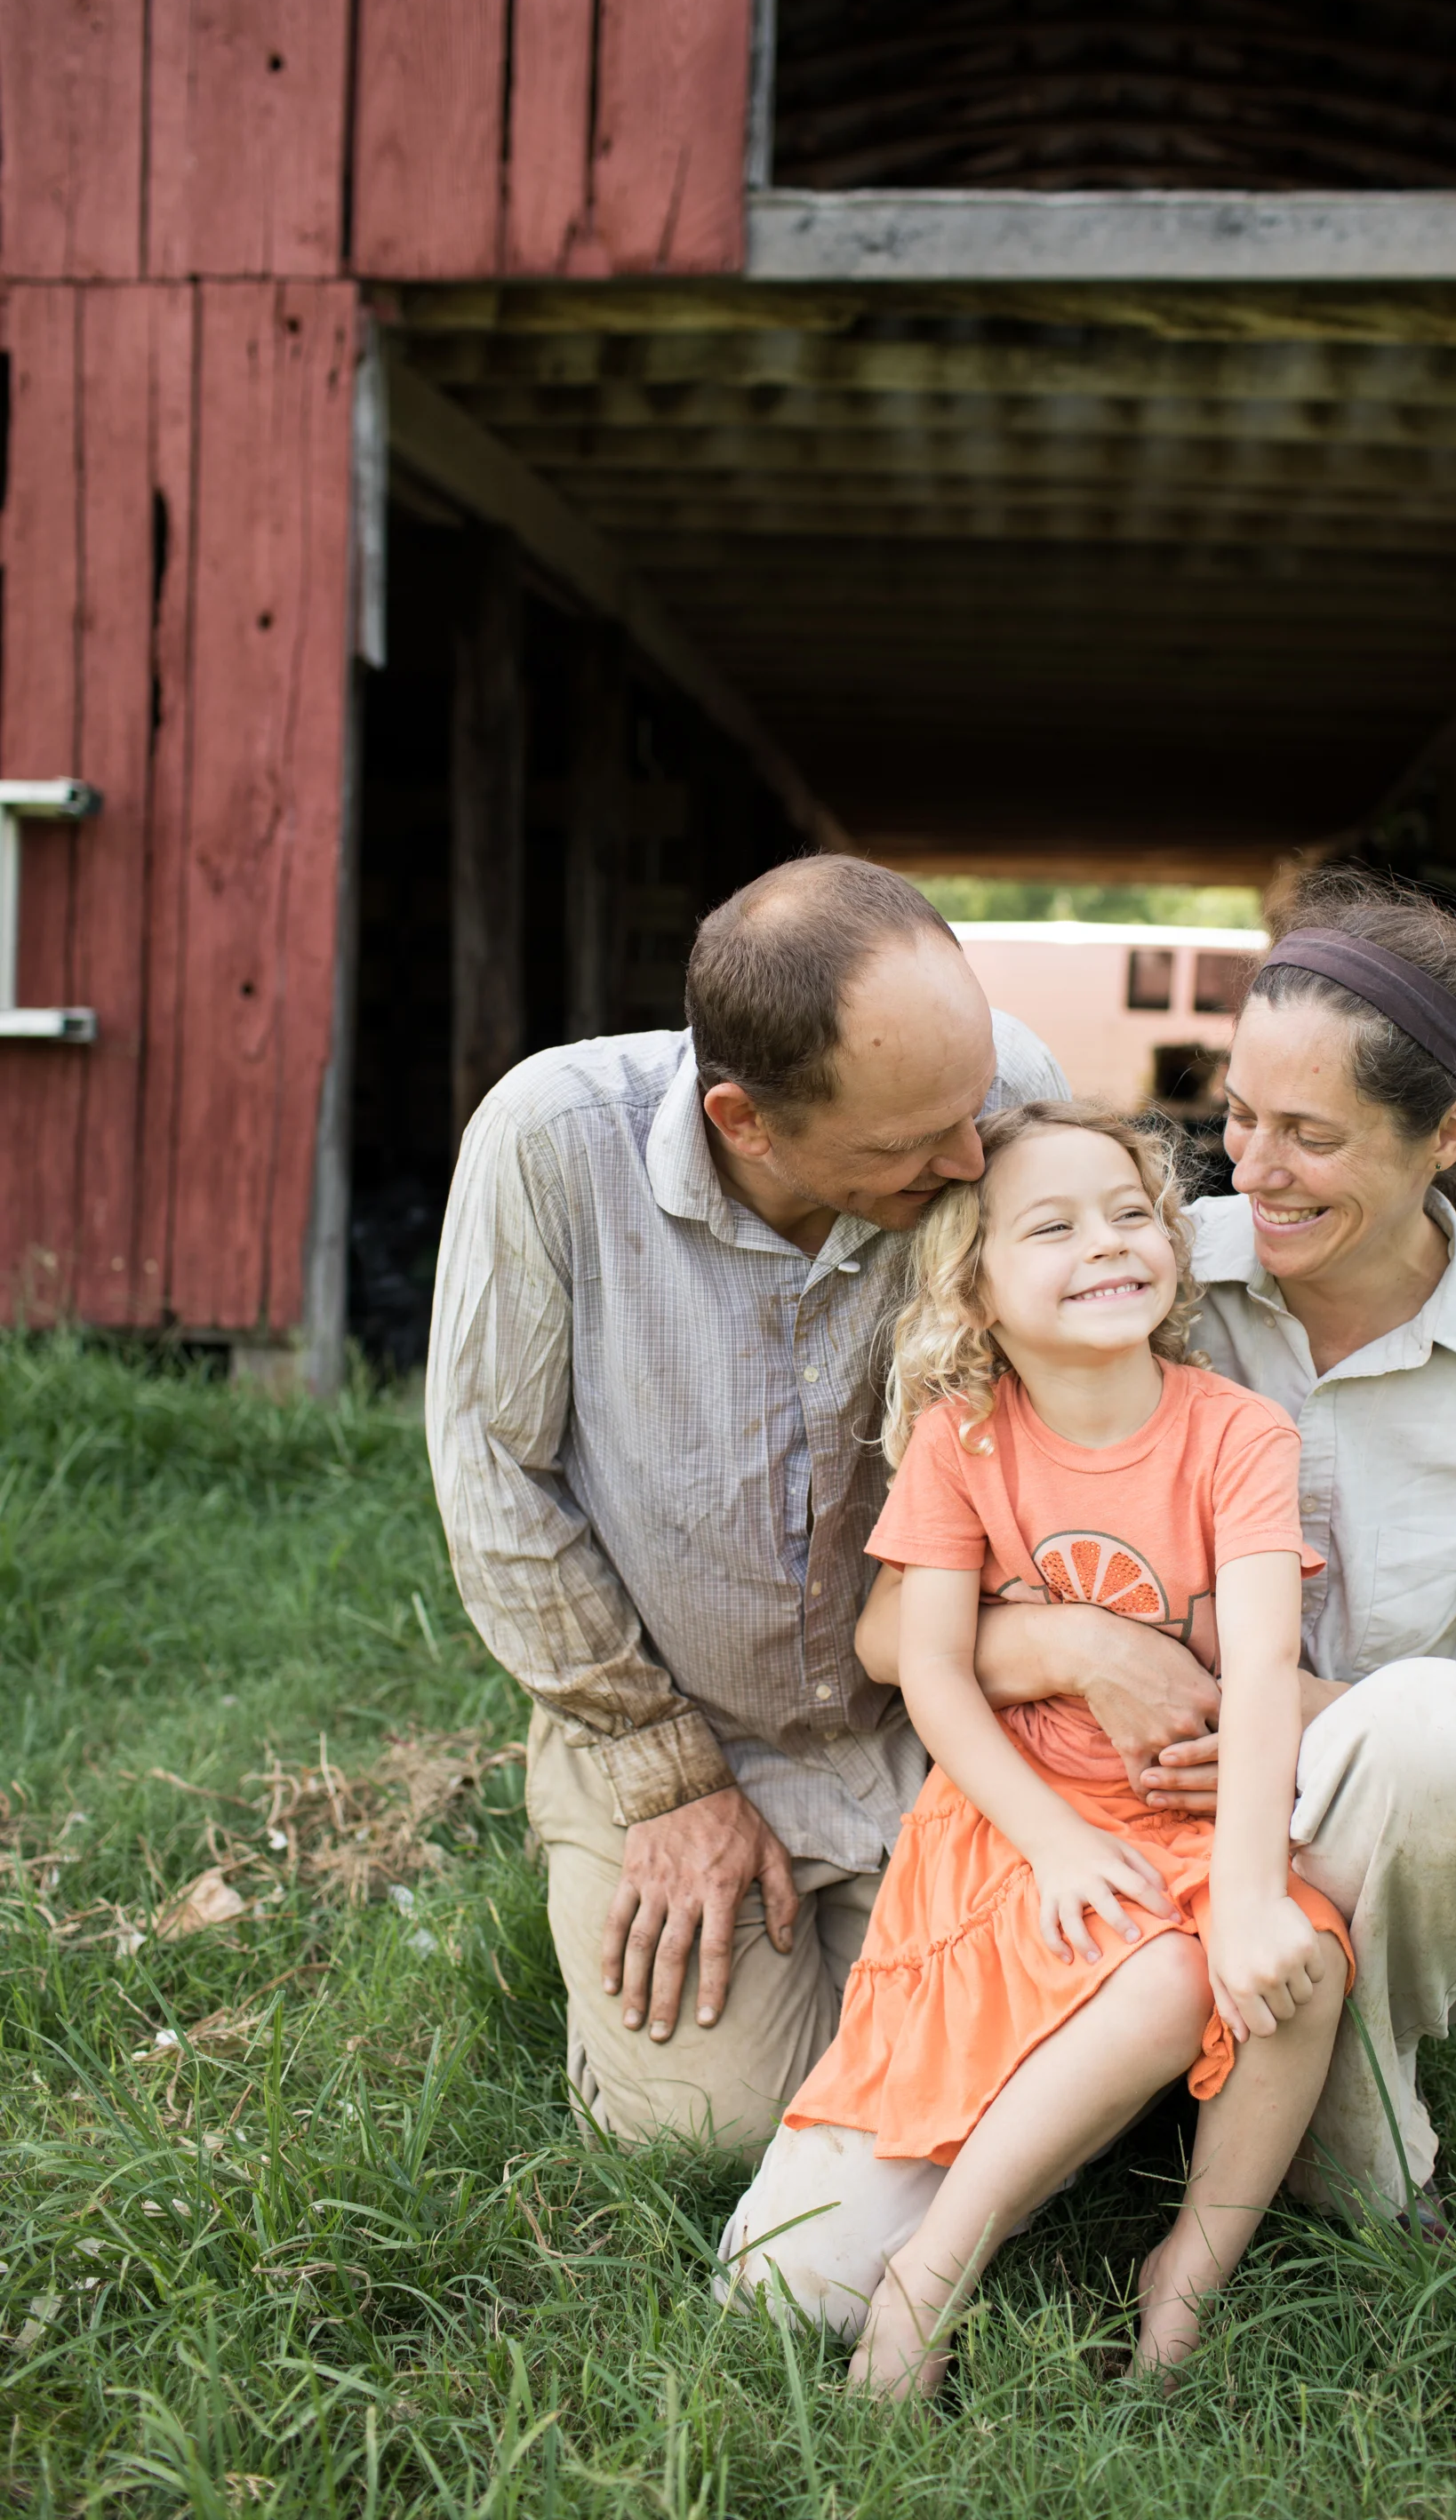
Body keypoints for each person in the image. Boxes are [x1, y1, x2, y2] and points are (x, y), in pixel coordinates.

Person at [723, 869, 1456, 2327]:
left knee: (1427, 1725)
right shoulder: (1149, 1274)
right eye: (1239, 1118)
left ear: (1453, 1136)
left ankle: (1350, 2106)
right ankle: (1161, 2073)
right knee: (788, 2291)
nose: (1258, 1169)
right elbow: (896, 1633)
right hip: (1100, 1821)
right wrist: (1077, 1641)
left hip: (1382, 1842)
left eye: (1313, 1136)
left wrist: (1303, 1714)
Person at [426, 855, 1067, 2149]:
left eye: (974, 1106)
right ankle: (632, 1862)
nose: (968, 1156)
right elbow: (498, 1485)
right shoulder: (552, 1141)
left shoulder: (1003, 1095)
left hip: (944, 1714)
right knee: (706, 2132)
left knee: (1042, 2082)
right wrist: (664, 1780)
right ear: (743, 1119)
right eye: (906, 1147)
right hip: (686, 1723)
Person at [722, 1104, 1353, 2393]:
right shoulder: (966, 1441)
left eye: (1132, 1215)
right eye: (1054, 1227)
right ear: (977, 1289)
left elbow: (1266, 1681)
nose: (1108, 1244)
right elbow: (935, 1672)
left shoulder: (1240, 1437)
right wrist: (1057, 1842)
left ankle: (1189, 2270)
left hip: (1189, 1812)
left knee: (1296, 1967)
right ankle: (929, 2268)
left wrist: (1245, 1900)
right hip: (1019, 1815)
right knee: (785, 2289)